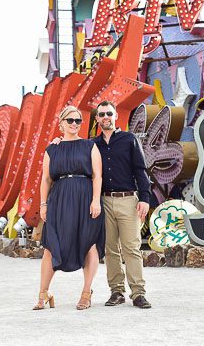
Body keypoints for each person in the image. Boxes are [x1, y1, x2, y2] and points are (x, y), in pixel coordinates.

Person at [34, 106, 104, 311]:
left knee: (89, 242)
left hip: (85, 198)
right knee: (50, 245)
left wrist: (96, 200)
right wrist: (43, 204)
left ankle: (86, 293)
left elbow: (97, 176)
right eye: (70, 120)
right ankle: (43, 294)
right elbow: (46, 179)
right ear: (61, 123)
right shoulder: (52, 149)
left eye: (78, 120)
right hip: (59, 200)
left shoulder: (89, 145)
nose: (74, 124)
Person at [94, 100, 155, 309]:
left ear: (115, 116)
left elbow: (141, 170)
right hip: (104, 201)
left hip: (129, 200)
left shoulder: (129, 139)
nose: (105, 118)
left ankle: (138, 293)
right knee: (110, 249)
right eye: (101, 114)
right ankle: (116, 291)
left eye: (109, 114)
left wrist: (145, 198)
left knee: (132, 247)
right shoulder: (93, 144)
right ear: (97, 119)